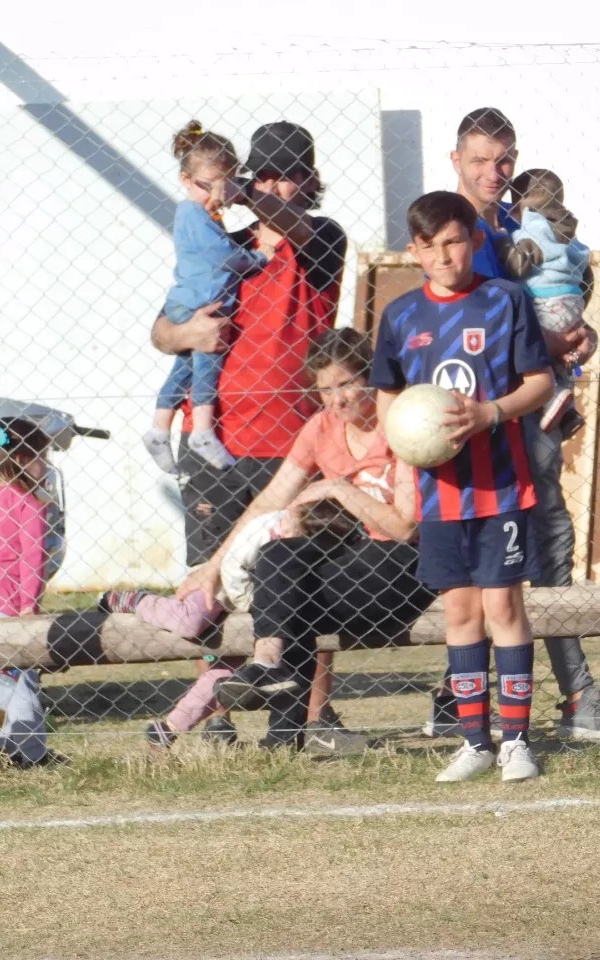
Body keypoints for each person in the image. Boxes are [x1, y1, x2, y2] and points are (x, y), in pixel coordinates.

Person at [439, 107, 600, 741]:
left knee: (515, 555)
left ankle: (460, 701)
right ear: (456, 162)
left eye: (504, 159)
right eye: (479, 160)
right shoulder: (456, 229)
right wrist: (553, 347)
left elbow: (545, 298)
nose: (494, 172)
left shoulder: (518, 222)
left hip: (524, 412)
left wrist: (571, 335)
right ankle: (572, 699)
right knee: (533, 550)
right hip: (495, 420)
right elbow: (485, 323)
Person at [149, 122, 348, 744]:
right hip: (219, 441)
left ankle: (306, 717)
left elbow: (297, 226)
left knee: (295, 581)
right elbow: (164, 326)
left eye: (289, 173)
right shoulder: (223, 244)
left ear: (310, 182)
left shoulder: (320, 242)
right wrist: (186, 337)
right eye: (263, 173)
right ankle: (218, 717)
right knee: (210, 578)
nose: (274, 184)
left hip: (291, 442)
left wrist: (244, 194)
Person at [181, 328, 435, 753]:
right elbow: (268, 502)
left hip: (403, 567)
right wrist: (210, 570)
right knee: (279, 553)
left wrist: (339, 488)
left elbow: (406, 528)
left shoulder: (400, 421)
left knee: (291, 594)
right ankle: (273, 697)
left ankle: (278, 704)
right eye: (324, 390)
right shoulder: (321, 428)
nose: (336, 400)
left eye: (346, 384)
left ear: (370, 377)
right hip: (350, 565)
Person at [373, 191, 553, 783]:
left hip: (500, 484)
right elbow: (389, 398)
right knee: (459, 610)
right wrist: (405, 445)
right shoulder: (400, 317)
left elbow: (539, 384)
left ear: (475, 240)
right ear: (414, 252)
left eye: (455, 241)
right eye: (431, 246)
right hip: (438, 492)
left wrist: (490, 415)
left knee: (503, 603)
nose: (445, 256)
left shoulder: (506, 300)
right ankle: (475, 740)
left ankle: (516, 742)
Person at [99, 499, 357, 751]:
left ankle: (170, 728)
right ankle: (136, 600)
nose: (286, 530)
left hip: (258, 607)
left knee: (225, 675)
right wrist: (255, 605)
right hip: (223, 586)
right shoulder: (264, 527)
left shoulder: (302, 542)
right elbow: (233, 565)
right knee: (190, 622)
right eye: (289, 522)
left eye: (295, 533)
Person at [143, 121, 268, 475]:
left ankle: (157, 430)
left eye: (224, 186)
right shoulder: (192, 212)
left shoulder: (200, 211)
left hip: (195, 300)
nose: (215, 194)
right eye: (205, 185)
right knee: (207, 364)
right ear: (185, 180)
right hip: (201, 303)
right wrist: (259, 259)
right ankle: (202, 432)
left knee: (182, 369)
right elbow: (222, 254)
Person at [0, 417, 59, 768]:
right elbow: (32, 558)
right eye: (42, 457)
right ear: (21, 460)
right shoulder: (30, 504)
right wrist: (29, 607)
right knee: (20, 680)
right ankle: (32, 753)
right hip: (7, 606)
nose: (45, 466)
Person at [508, 168, 594, 432]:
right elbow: (586, 280)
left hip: (544, 302)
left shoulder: (533, 226)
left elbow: (520, 264)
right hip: (571, 303)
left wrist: (505, 249)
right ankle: (567, 413)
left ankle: (553, 398)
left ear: (519, 206)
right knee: (563, 362)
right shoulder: (568, 231)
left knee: (537, 360)